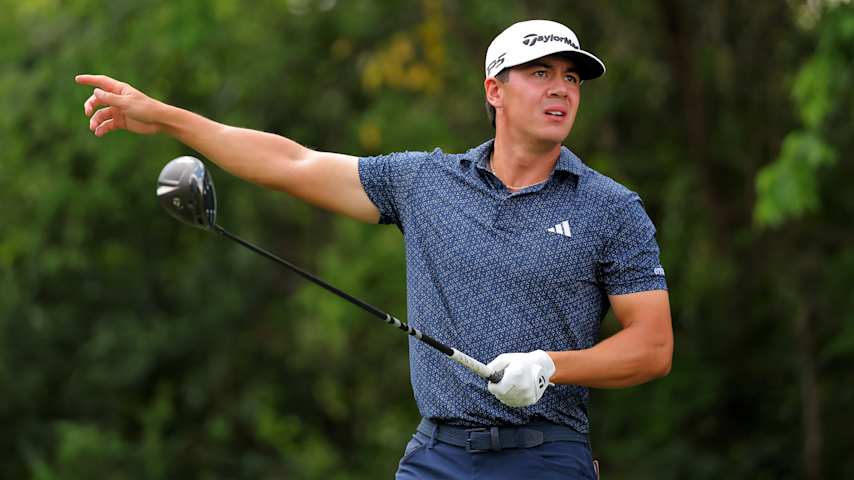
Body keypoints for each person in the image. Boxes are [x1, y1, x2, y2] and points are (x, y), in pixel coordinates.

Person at [77, 19, 672, 480]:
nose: (561, 88)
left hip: (545, 457)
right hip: (438, 456)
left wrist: (550, 365)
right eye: (541, 72)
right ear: (495, 89)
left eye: (571, 78)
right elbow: (293, 163)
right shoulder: (424, 182)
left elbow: (652, 346)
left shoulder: (610, 207)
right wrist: (167, 118)